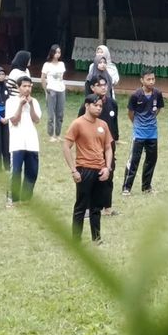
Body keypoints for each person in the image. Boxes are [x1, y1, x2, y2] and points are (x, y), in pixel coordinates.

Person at [63, 94, 113, 243]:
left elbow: (108, 147)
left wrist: (107, 168)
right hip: (84, 169)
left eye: (100, 106)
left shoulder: (103, 125)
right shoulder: (78, 124)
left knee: (96, 207)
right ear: (87, 105)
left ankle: (96, 238)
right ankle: (75, 240)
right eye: (95, 105)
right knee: (81, 206)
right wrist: (74, 170)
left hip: (100, 170)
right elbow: (66, 146)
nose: (98, 108)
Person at [80, 75, 120, 216]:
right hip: (92, 146)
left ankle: (107, 207)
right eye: (99, 85)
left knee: (108, 175)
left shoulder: (112, 103)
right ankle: (88, 208)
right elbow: (80, 125)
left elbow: (114, 124)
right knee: (91, 176)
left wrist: (116, 139)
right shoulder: (87, 105)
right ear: (92, 87)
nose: (103, 87)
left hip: (108, 145)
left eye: (105, 84)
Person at [122, 68, 165, 195]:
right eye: (148, 79)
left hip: (152, 133)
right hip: (139, 134)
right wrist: (138, 124)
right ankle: (126, 188)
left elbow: (157, 110)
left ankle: (146, 187)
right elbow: (130, 113)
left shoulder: (157, 93)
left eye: (153, 79)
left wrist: (150, 119)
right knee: (134, 160)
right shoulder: (136, 95)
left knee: (151, 160)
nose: (151, 81)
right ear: (142, 80)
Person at [6, 75, 42, 204]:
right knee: (15, 171)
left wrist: (31, 104)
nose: (27, 89)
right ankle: (12, 198)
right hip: (17, 142)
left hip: (31, 141)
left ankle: (26, 198)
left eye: (29, 86)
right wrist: (20, 105)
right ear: (18, 87)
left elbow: (36, 119)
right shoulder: (11, 101)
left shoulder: (35, 102)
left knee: (32, 171)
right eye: (24, 86)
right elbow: (14, 120)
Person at [42, 44, 67, 142]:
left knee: (60, 114)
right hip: (51, 89)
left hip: (61, 89)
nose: (58, 54)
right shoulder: (47, 65)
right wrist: (45, 90)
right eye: (56, 52)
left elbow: (61, 78)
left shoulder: (62, 64)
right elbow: (43, 78)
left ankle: (58, 134)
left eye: (59, 52)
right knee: (51, 114)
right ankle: (50, 134)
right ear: (52, 53)